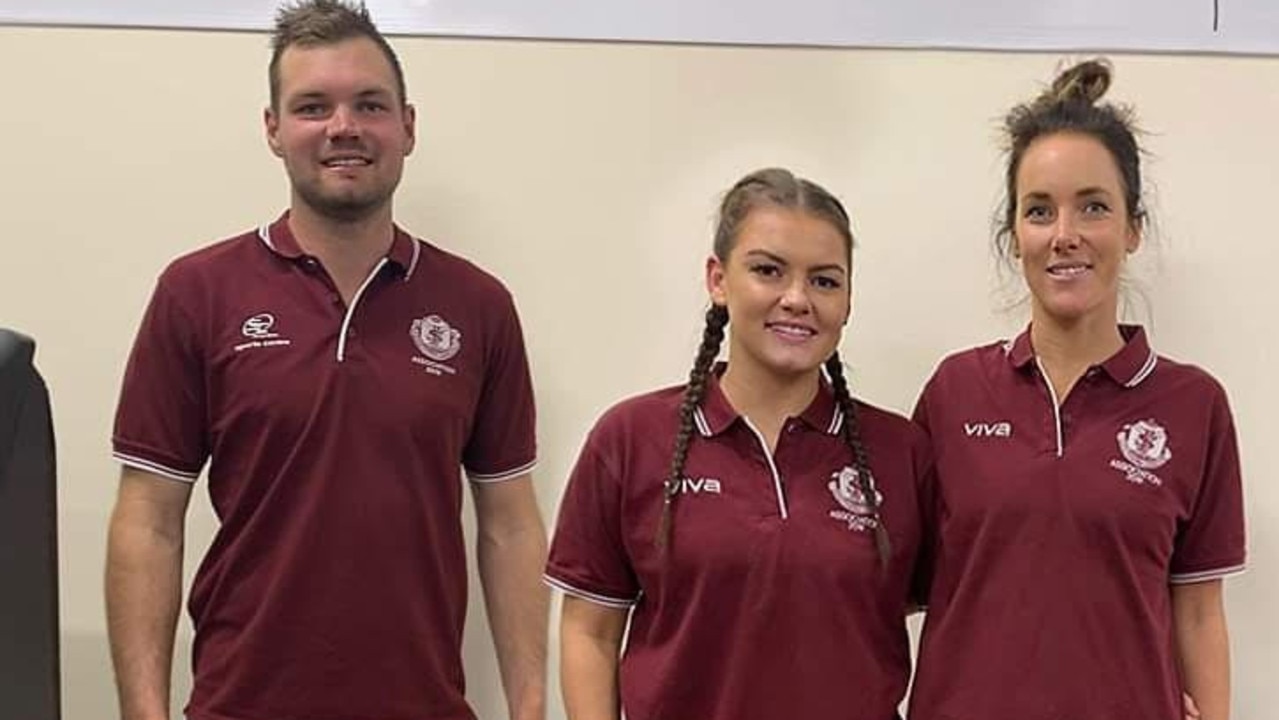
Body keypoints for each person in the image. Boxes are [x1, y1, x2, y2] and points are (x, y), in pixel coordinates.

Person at [104, 2, 548, 719]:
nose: (343, 127)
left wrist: (530, 707)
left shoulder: (478, 305)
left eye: (368, 105)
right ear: (273, 130)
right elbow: (148, 520)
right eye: (313, 106)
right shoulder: (197, 293)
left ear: (406, 125)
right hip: (240, 706)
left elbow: (510, 523)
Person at [907, 59, 1246, 720]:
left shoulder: (1193, 405)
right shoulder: (953, 393)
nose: (1064, 234)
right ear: (1014, 237)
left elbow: (1200, 614)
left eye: (1092, 206)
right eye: (1039, 210)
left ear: (1131, 228)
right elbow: (889, 587)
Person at [544, 168, 932, 720]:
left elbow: (944, 621)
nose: (797, 298)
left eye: (824, 280)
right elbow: (590, 632)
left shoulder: (902, 451)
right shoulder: (630, 439)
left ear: (848, 301)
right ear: (718, 280)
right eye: (768, 271)